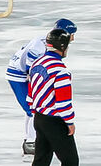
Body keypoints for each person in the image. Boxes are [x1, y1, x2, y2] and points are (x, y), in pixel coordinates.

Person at [25, 27, 82, 166]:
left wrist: (35, 112)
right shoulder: (60, 70)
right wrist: (69, 122)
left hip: (39, 118)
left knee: (40, 161)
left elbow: (30, 94)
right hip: (55, 121)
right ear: (62, 46)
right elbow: (63, 101)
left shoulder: (37, 63)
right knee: (70, 161)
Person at [7, 19, 78, 157]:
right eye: (72, 34)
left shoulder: (50, 41)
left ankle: (31, 140)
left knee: (34, 108)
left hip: (26, 74)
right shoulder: (40, 44)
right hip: (18, 75)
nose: (73, 38)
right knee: (32, 109)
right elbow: (32, 66)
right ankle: (30, 142)